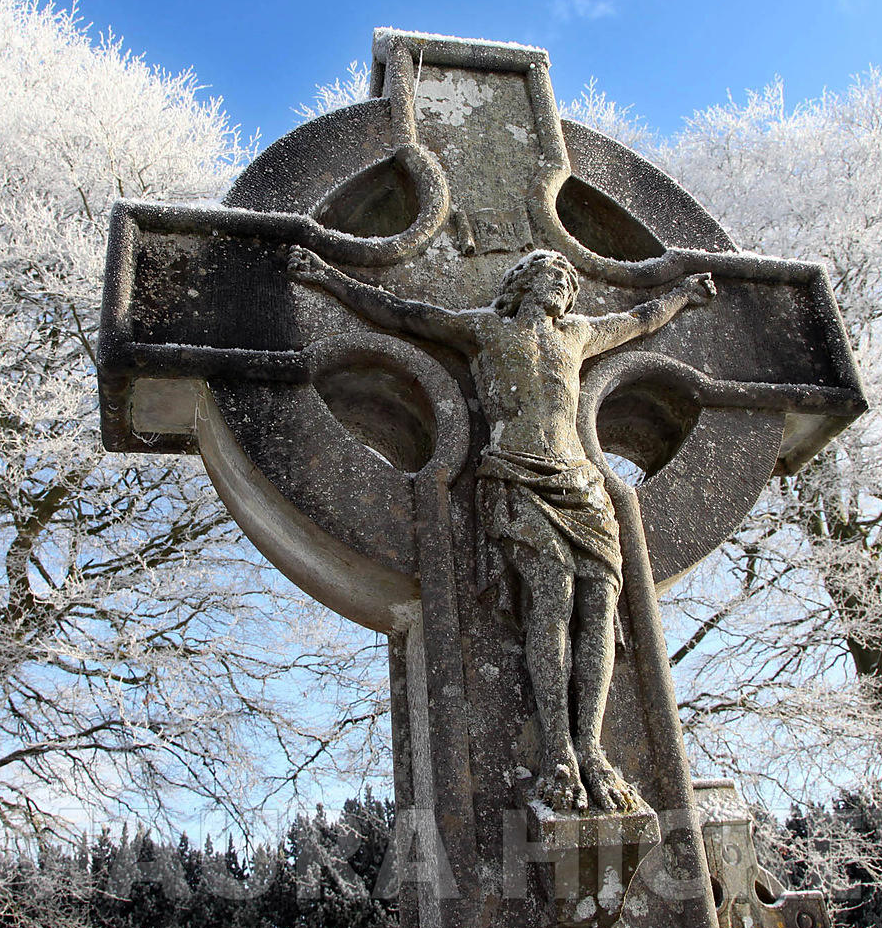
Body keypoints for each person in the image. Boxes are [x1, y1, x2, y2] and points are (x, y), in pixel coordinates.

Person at [289, 246, 716, 812]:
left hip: (582, 485)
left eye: (566, 279)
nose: (561, 284)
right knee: (552, 599)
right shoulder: (485, 330)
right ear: (522, 283)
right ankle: (560, 750)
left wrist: (681, 296)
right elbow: (399, 311)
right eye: (549, 273)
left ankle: (591, 747)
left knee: (600, 607)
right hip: (518, 474)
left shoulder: (578, 334)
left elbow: (638, 321)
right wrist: (327, 277)